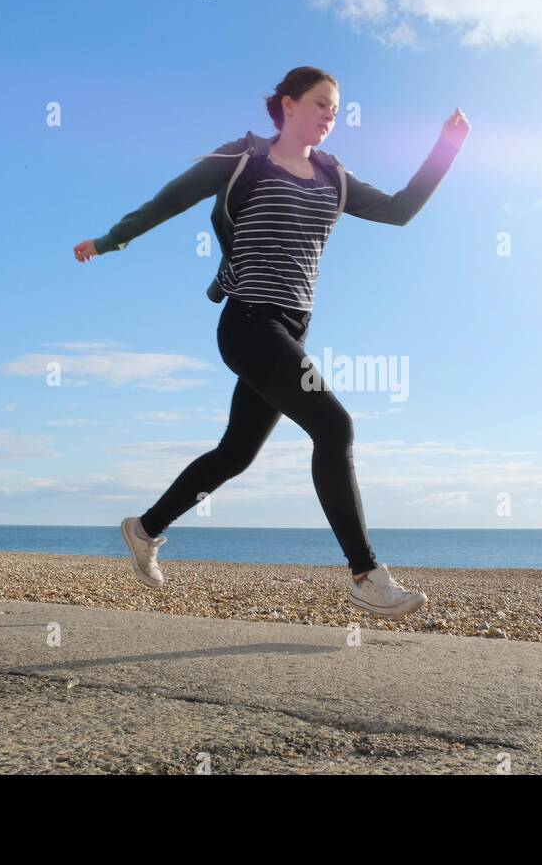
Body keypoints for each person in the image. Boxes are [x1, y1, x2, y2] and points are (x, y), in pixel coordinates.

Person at [74, 66, 469, 618]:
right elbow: (172, 198)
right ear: (287, 104)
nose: (331, 115)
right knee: (335, 426)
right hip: (248, 323)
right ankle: (365, 574)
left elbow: (400, 211)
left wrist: (446, 149)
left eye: (336, 108)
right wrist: (110, 240)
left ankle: (144, 528)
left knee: (236, 454)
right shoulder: (245, 159)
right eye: (321, 104)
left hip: (291, 328)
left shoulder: (335, 178)